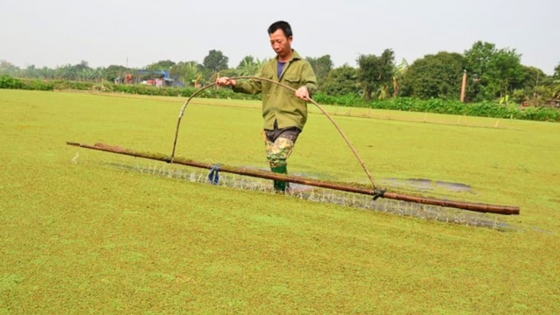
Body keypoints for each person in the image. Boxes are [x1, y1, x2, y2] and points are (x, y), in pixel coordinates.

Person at [216, 20, 317, 192]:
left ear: (290, 39)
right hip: (270, 121)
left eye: (279, 41)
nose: (276, 46)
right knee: (273, 160)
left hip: (291, 120)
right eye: (272, 42)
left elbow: (312, 84)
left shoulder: (302, 65)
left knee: (277, 156)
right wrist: (232, 83)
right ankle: (284, 188)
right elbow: (253, 85)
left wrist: (304, 88)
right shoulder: (268, 67)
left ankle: (280, 193)